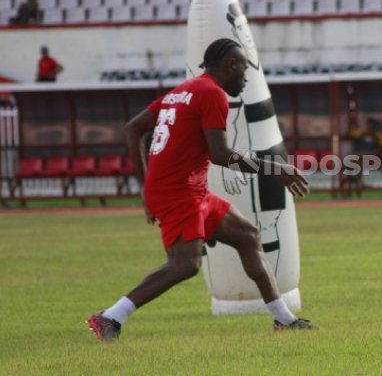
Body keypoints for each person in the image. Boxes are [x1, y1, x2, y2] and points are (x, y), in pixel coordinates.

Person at [87, 39, 313, 342]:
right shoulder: (212, 94)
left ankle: (284, 320)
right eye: (244, 69)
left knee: (248, 237)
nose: (246, 78)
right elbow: (221, 154)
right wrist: (276, 169)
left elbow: (132, 129)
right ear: (230, 65)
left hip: (189, 190)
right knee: (185, 265)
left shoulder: (182, 90)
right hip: (179, 192)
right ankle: (110, 317)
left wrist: (147, 188)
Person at [342, 117, 382, 198]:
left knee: (357, 157)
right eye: (369, 125)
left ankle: (351, 179)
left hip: (373, 157)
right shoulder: (361, 133)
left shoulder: (378, 135)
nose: (370, 127)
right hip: (360, 157)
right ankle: (355, 180)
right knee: (356, 158)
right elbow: (348, 134)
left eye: (372, 125)